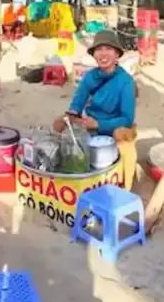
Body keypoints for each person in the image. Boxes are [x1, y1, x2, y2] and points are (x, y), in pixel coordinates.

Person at [53, 30, 138, 189]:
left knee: (121, 138)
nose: (103, 53)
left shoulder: (126, 81)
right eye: (99, 49)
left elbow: (127, 118)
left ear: (117, 55)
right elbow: (78, 102)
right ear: (94, 55)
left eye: (108, 49)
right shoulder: (90, 76)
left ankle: (123, 183)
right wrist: (71, 114)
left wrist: (99, 124)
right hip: (90, 125)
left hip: (115, 128)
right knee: (59, 125)